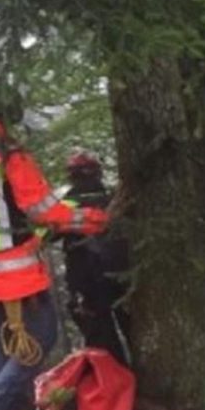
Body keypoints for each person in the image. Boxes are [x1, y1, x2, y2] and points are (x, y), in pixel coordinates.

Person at [0, 88, 108, 410]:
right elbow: (43, 210)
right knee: (41, 335)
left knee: (0, 342)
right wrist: (95, 219)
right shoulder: (7, 155)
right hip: (14, 273)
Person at [61, 151, 130, 365]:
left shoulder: (63, 206)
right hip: (119, 274)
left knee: (101, 339)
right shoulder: (115, 199)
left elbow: (46, 234)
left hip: (85, 281)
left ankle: (117, 384)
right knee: (132, 327)